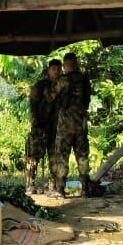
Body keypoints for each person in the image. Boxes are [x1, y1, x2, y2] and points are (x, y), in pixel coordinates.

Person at [49, 51, 91, 197]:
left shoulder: (63, 80)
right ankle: (85, 188)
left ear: (65, 65)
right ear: (76, 63)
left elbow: (50, 97)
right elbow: (87, 100)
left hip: (65, 125)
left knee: (62, 155)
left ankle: (60, 189)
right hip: (81, 123)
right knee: (82, 155)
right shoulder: (84, 79)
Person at [25, 58, 62, 194]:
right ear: (48, 70)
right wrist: (35, 124)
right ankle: (30, 185)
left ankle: (53, 186)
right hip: (40, 126)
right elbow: (32, 106)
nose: (56, 72)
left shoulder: (63, 84)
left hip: (56, 126)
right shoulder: (40, 86)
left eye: (59, 69)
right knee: (33, 157)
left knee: (55, 157)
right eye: (54, 69)